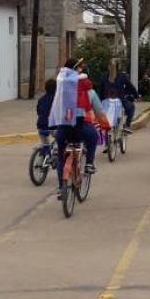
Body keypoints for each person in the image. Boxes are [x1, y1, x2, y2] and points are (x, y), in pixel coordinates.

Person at [49, 58, 108, 198]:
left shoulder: (61, 85)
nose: (80, 69)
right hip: (80, 127)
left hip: (62, 129)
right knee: (92, 136)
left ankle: (61, 187)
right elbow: (99, 111)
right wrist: (106, 126)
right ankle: (89, 164)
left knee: (62, 158)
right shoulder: (84, 86)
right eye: (78, 67)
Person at [101, 58, 138, 132]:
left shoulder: (104, 76)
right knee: (132, 107)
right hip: (119, 101)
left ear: (109, 66)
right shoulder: (122, 76)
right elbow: (130, 87)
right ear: (119, 67)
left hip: (106, 101)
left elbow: (101, 90)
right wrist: (136, 95)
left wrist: (101, 101)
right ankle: (127, 125)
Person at [36, 78, 56, 145]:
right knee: (62, 140)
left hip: (41, 125)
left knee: (45, 144)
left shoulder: (41, 99)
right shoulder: (58, 100)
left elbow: (38, 112)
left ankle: (45, 152)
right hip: (53, 127)